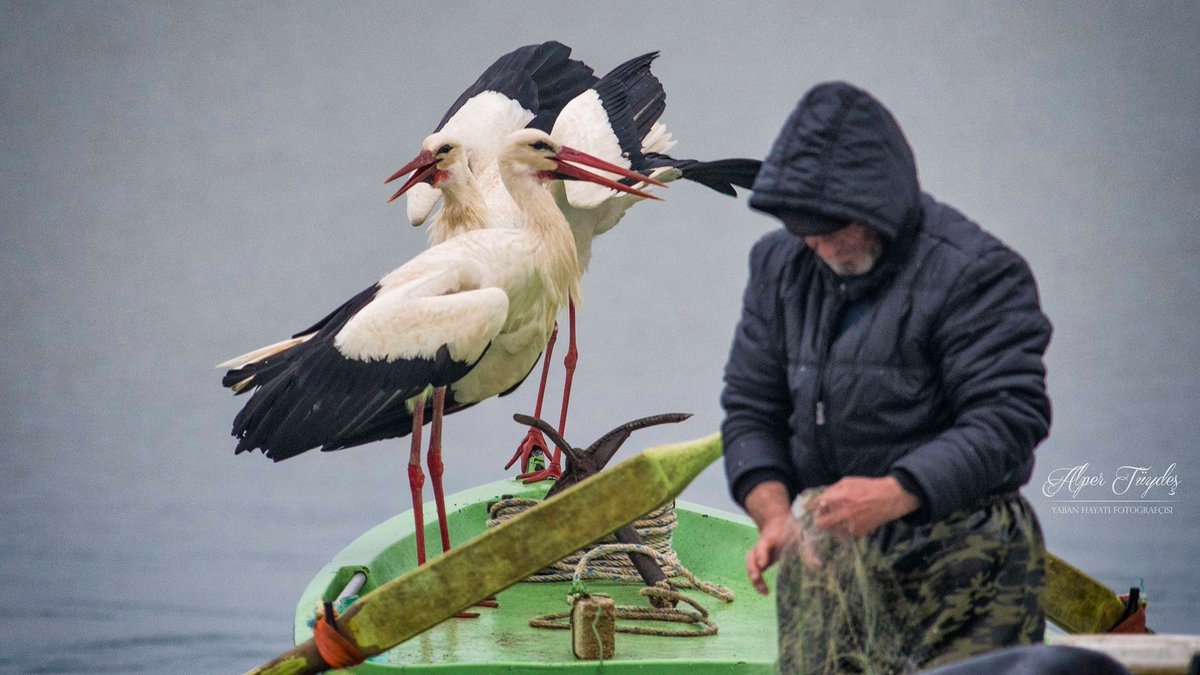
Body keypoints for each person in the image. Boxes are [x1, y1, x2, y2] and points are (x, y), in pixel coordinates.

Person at [721, 81, 1052, 671]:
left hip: (964, 561)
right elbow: (752, 408)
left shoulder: (978, 273)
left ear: (880, 208)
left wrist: (895, 493)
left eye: (833, 226)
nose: (818, 243)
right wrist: (773, 516)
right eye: (804, 228)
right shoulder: (778, 265)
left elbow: (1008, 420)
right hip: (831, 550)